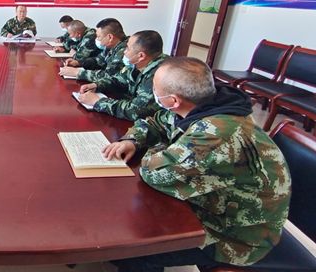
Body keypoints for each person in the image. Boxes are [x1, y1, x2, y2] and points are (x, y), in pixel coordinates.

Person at [103, 57, 291, 271]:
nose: (152, 91)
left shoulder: (215, 134)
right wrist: (133, 140)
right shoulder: (204, 104)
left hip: (239, 235)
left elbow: (154, 172)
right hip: (217, 205)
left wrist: (160, 147)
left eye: (155, 88)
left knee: (137, 247)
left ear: (173, 100)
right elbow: (156, 121)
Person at [79, 30, 166, 121]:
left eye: (128, 48)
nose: (124, 51)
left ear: (141, 56)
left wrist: (98, 102)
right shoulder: (138, 63)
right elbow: (119, 80)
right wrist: (97, 85)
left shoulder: (159, 75)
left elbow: (136, 111)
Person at [60, 18, 128, 87]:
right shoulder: (111, 46)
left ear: (110, 37)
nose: (96, 39)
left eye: (98, 37)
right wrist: (78, 62)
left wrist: (77, 73)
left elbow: (108, 76)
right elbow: (98, 60)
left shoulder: (124, 50)